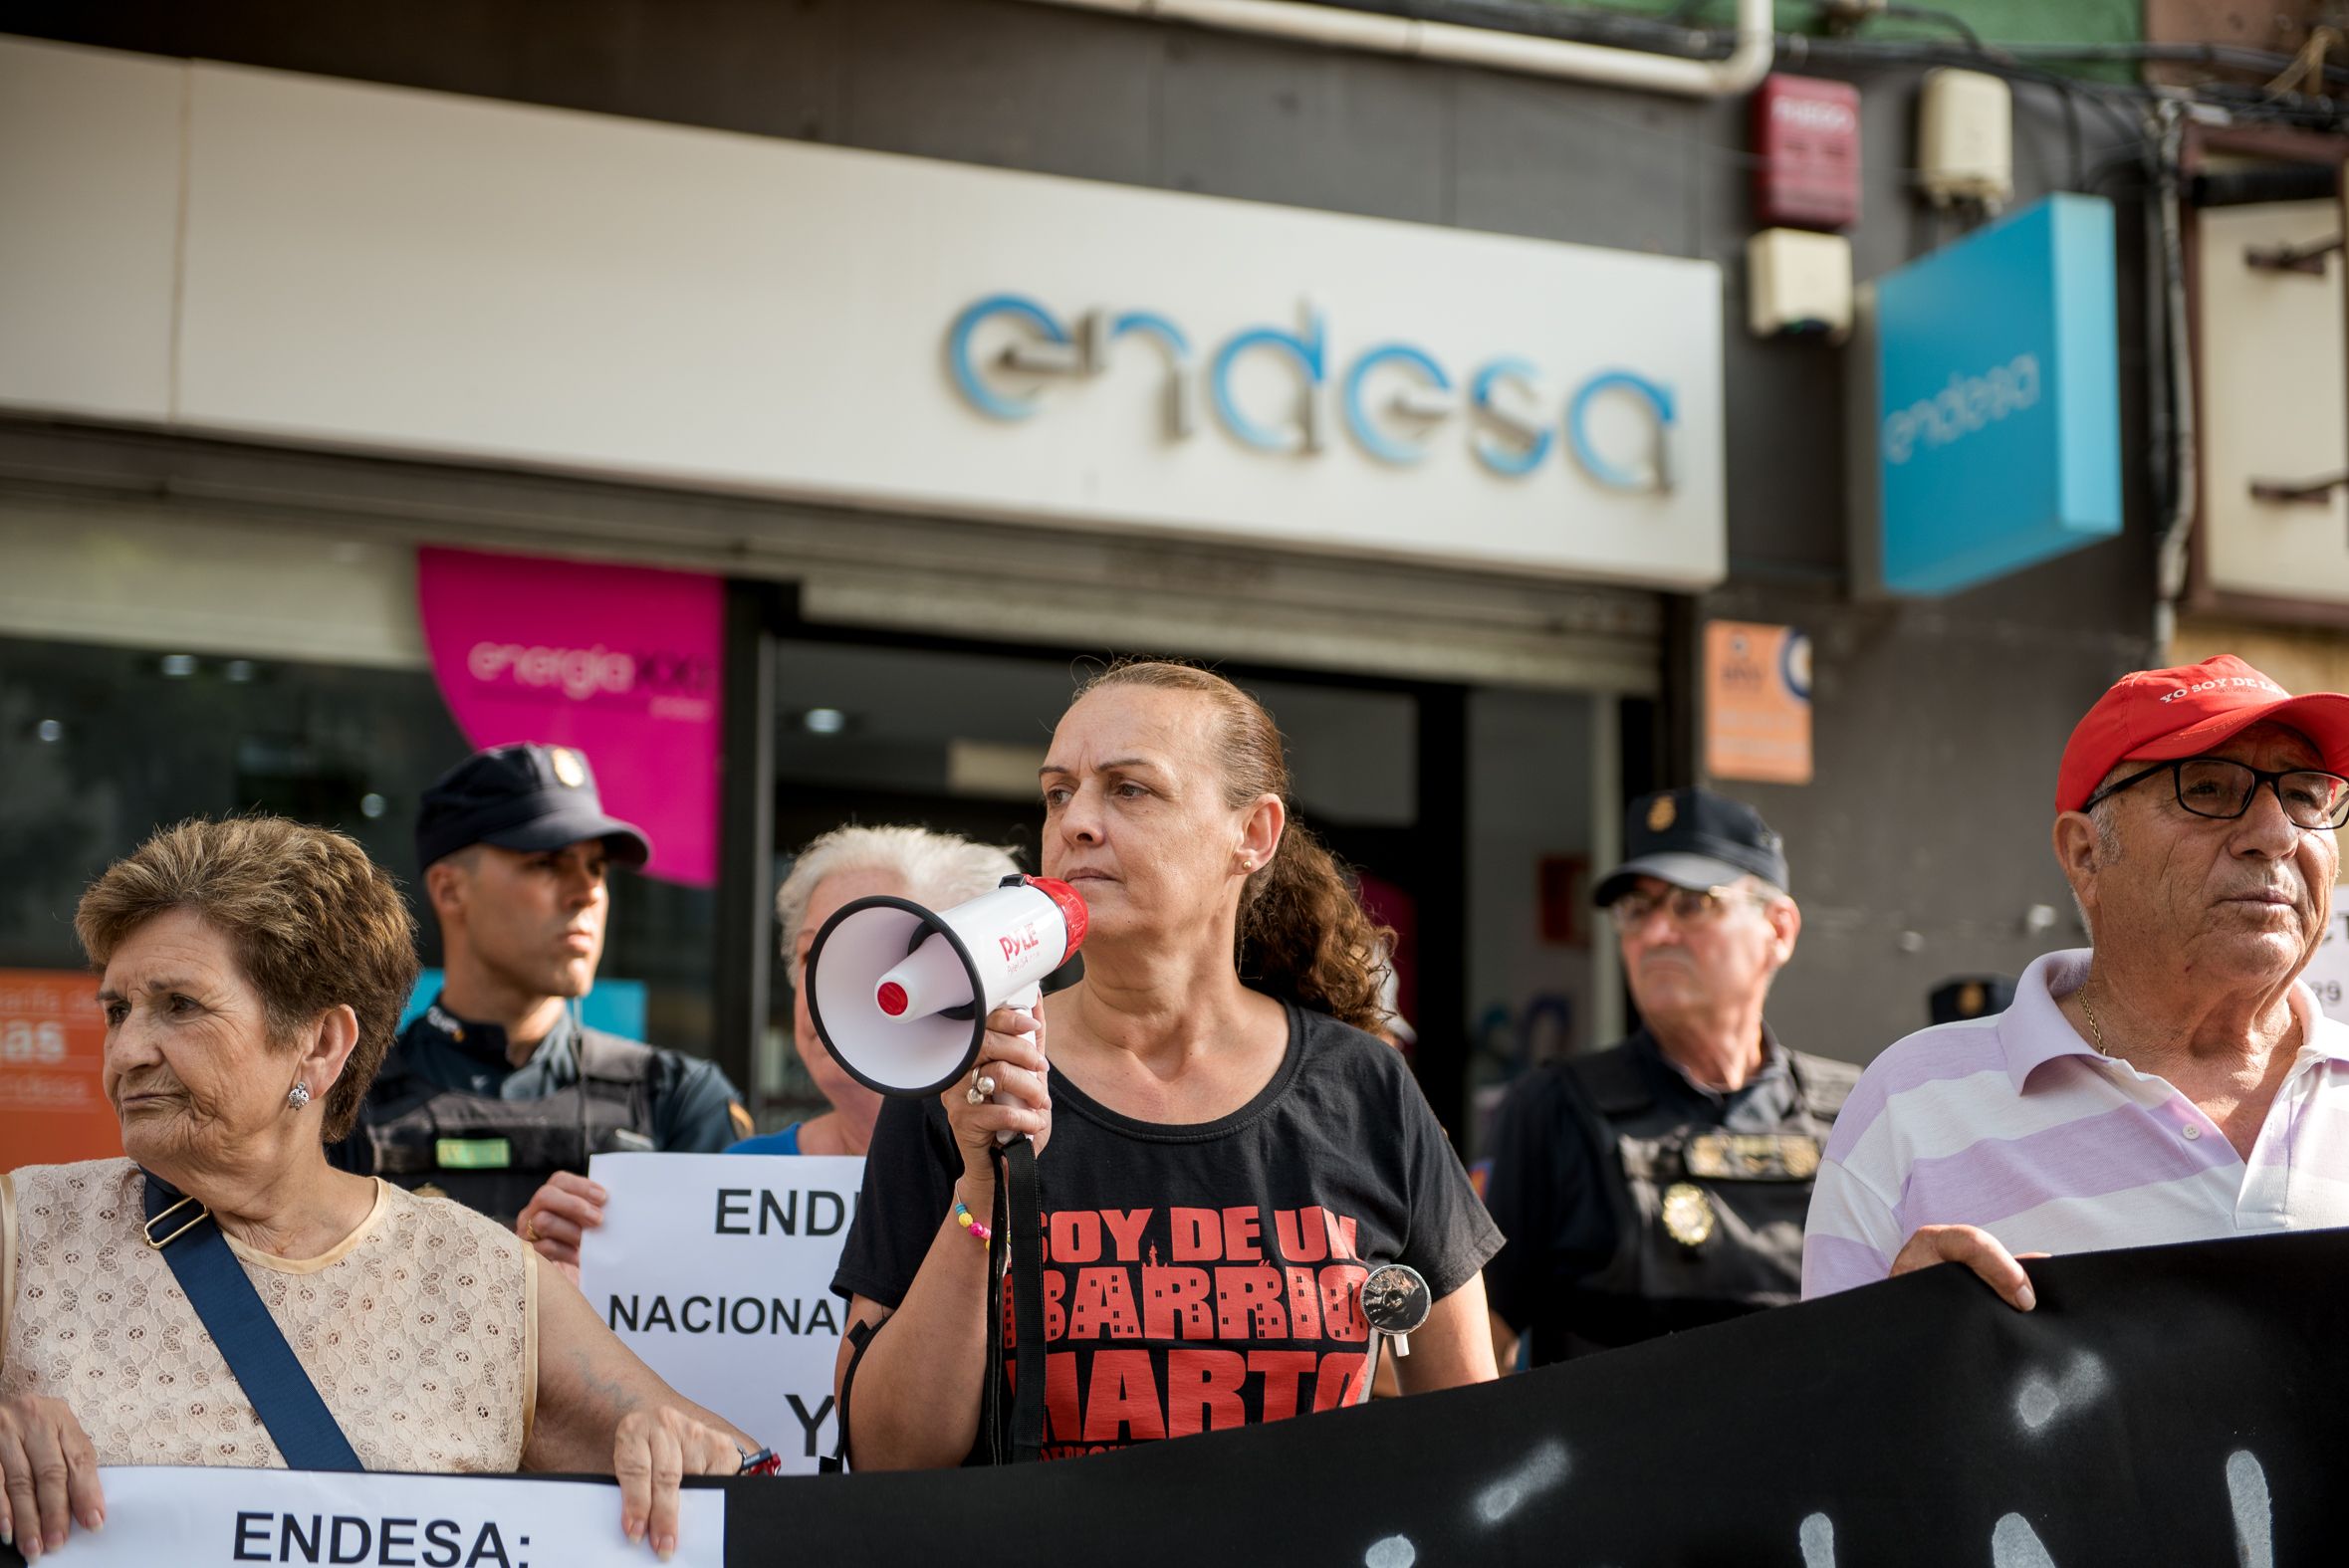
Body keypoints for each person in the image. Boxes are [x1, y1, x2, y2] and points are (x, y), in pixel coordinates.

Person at [0, 817, 753, 1565]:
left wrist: (686, 1455)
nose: (127, 1051)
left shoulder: (481, 1278)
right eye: (117, 1010)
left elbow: (750, 1483)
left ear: (321, 1043)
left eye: (180, 1006)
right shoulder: (24, 1230)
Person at [833, 660, 1501, 1467]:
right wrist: (980, 1197)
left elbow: (1469, 1438)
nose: (1075, 821)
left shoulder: (1363, 1085)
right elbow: (885, 1457)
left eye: (1129, 789)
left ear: (1251, 834)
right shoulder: (967, 1072)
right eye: (1057, 792)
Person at [1804, 654, 2349, 1307]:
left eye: (2303, 794)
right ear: (2085, 854)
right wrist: (1905, 1339)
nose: (2273, 832)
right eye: (2205, 787)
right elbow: (1831, 1404)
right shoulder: (1910, 1107)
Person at [517, 826, 1021, 1276]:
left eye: (880, 949)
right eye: (811, 955)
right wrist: (595, 1276)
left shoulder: (1031, 1174)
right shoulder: (742, 1173)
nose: (827, 987)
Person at [1482, 787, 1858, 1367]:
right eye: (1636, 909)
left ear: (1778, 929)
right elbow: (1476, 1351)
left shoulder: (1858, 1113)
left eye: (1691, 905)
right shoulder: (1556, 1109)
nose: (1656, 934)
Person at [341, 743, 749, 1234]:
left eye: (597, 868)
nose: (588, 891)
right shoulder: (349, 1100)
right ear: (450, 890)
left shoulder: (677, 1100)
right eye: (548, 863)